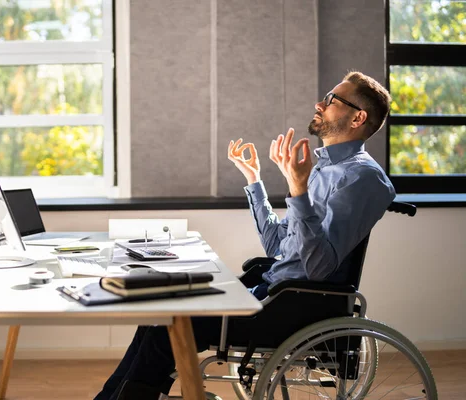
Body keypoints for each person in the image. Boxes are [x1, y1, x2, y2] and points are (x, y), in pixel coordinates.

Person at [94, 71, 396, 400]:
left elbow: (319, 268)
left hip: (287, 305)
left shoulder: (363, 179)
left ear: (358, 117)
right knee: (157, 316)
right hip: (267, 291)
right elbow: (279, 246)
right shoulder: (321, 167)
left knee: (166, 329)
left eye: (331, 100)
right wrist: (254, 180)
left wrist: (298, 190)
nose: (319, 104)